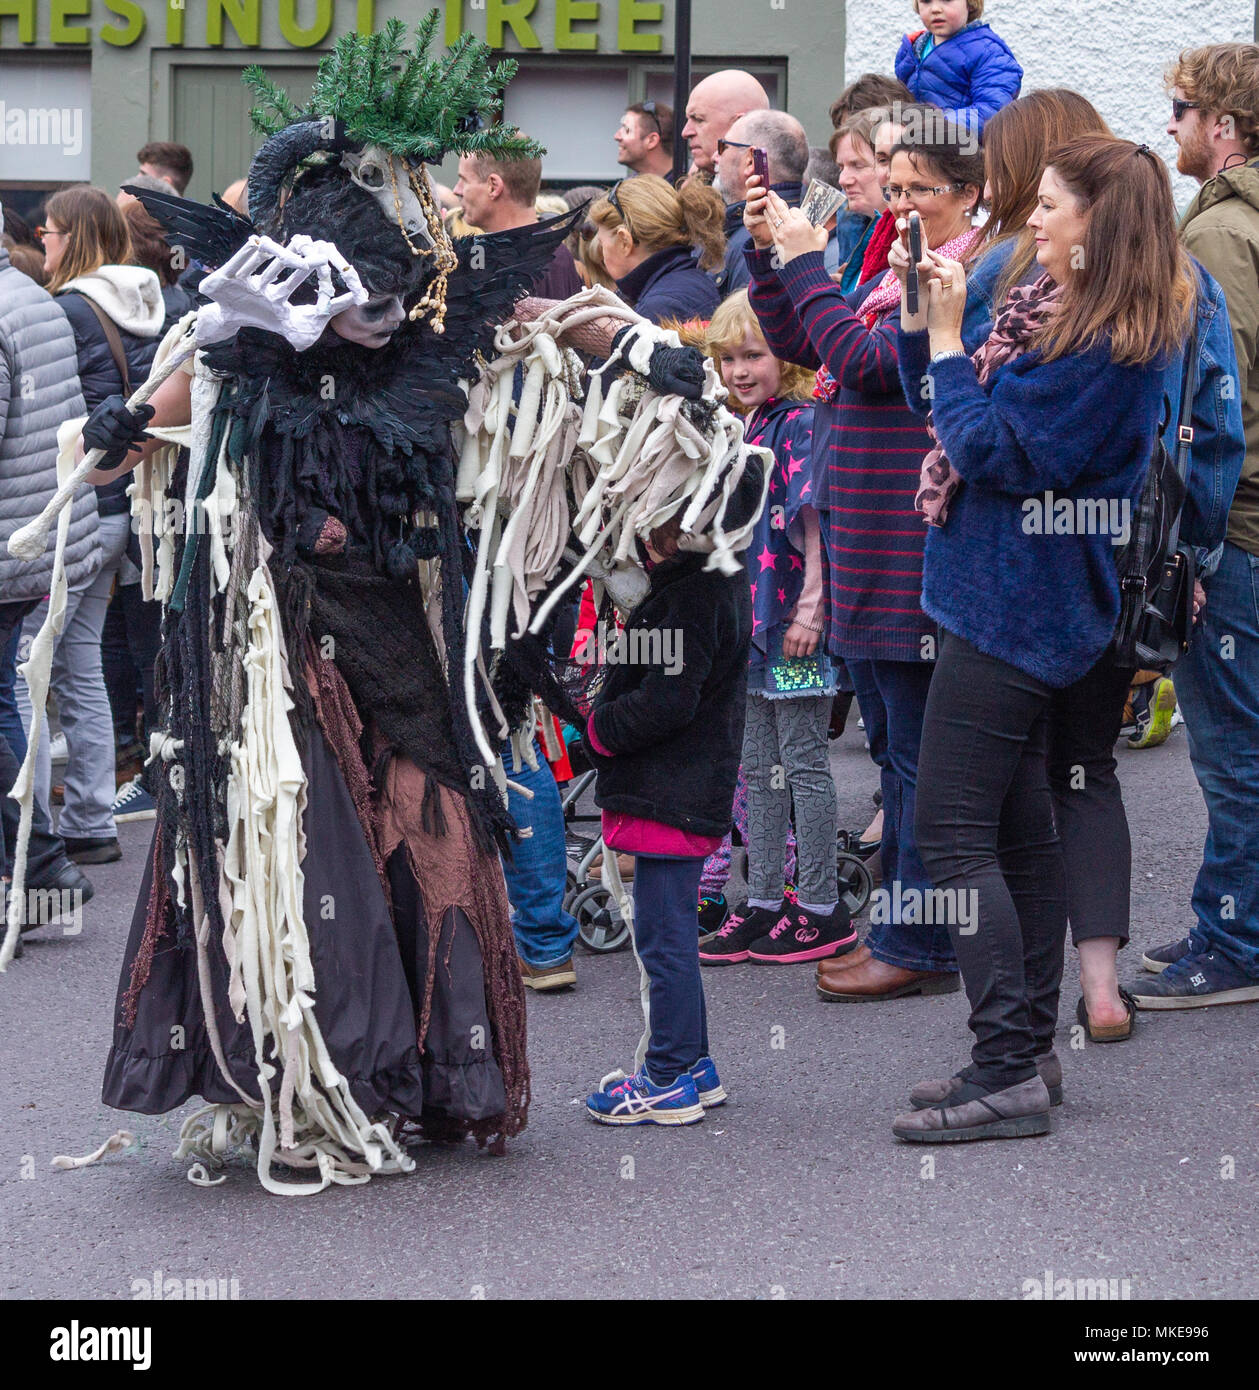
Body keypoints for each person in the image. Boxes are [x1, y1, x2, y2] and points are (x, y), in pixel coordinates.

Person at [892, 136, 1194, 1141]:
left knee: (947, 833)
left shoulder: (1108, 347)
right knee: (1016, 836)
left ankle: (1006, 1066)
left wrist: (943, 339)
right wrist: (916, 319)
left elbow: (986, 446)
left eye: (1052, 206)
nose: (1032, 218)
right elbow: (936, 408)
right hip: (1004, 598)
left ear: (1095, 227)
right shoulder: (1052, 315)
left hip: (1018, 608)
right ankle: (1015, 1057)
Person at [745, 128, 986, 1004]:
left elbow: (865, 362)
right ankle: (902, 930)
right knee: (889, 746)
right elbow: (810, 349)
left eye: (917, 188)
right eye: (892, 188)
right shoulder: (893, 264)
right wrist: (772, 261)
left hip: (903, 541)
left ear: (968, 194)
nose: (898, 204)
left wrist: (807, 265)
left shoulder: (954, 273)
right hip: (864, 534)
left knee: (916, 756)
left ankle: (918, 942)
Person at [1134, 43, 1259, 1009]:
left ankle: (1234, 943)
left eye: (1180, 108)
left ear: (1221, 127)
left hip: (1243, 533)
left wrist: (1199, 542)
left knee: (1232, 752)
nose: (1168, 123)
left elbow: (1222, 407)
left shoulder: (1220, 236)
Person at [583, 495, 756, 1125]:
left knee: (663, 940)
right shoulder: (717, 580)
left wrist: (600, 728)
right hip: (689, 786)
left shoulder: (687, 597)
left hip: (670, 789)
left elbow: (666, 702)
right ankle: (695, 1063)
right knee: (673, 932)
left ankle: (667, 1076)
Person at [698, 292, 850, 965]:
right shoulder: (745, 425)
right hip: (750, 630)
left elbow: (814, 520)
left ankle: (820, 905)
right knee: (759, 769)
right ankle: (762, 899)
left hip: (790, 626)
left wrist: (810, 610)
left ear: (783, 357)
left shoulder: (796, 423)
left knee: (803, 764)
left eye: (752, 354)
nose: (738, 369)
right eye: (727, 357)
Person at [17, 188, 165, 865]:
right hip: (130, 506)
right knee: (83, 669)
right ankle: (91, 821)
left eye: (48, 232)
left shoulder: (67, 310)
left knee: (30, 669)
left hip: (75, 504)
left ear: (69, 236)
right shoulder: (158, 301)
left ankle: (34, 836)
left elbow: (48, 418)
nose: (42, 243)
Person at [0, 208, 97, 954]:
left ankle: (37, 867)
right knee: (12, 696)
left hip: (14, 539)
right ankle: (42, 868)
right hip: (40, 536)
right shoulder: (35, 297)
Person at [454, 143, 583, 300]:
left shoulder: (537, 261)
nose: (457, 190)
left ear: (493, 187)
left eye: (464, 180)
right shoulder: (558, 253)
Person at [589, 175, 725, 324]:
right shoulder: (688, 280)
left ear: (624, 242)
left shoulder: (657, 309)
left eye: (602, 244)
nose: (602, 254)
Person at [895, 0, 1022, 141]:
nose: (935, 8)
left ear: (970, 3)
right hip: (916, 147)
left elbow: (993, 111)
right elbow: (901, 100)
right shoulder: (913, 49)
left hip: (964, 153)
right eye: (926, 1)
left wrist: (936, 129)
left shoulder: (988, 53)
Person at [713, 110, 808, 298]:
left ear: (750, 160)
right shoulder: (805, 225)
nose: (715, 156)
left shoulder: (754, 239)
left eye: (723, 146)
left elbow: (744, 325)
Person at [830, 109, 891, 292]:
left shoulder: (911, 243)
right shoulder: (877, 233)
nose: (843, 179)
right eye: (841, 167)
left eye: (857, 165)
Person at [681, 70, 771, 178]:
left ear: (741, 124)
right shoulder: (696, 186)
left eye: (699, 119)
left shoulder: (772, 193)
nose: (685, 132)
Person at [615, 101, 675, 181]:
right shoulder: (628, 189)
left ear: (652, 140)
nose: (616, 136)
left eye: (627, 130)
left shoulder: (687, 189)